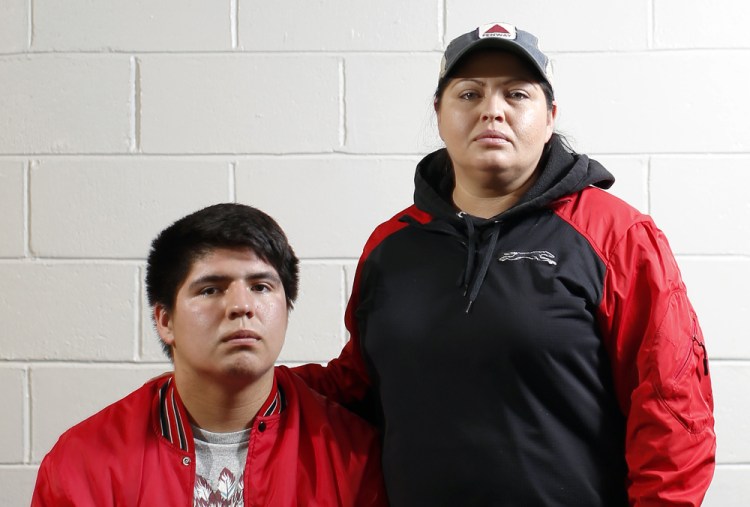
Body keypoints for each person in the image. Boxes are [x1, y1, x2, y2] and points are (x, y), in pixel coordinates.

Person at [293, 22, 716, 506]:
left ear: (550, 114)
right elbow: (359, 388)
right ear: (439, 113)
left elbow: (672, 410)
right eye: (469, 94)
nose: (492, 110)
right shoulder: (391, 245)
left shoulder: (617, 237)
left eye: (516, 95)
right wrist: (254, 383)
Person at [31, 203, 387, 506]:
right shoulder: (82, 463)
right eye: (211, 289)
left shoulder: (353, 456)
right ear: (165, 320)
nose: (241, 306)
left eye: (261, 287)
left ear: (286, 308)